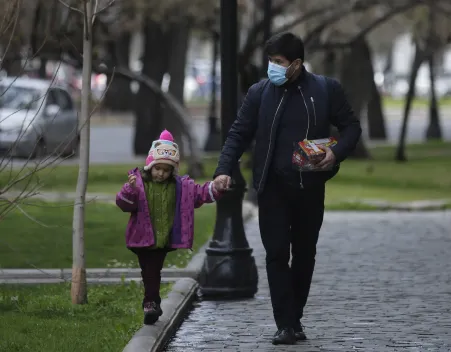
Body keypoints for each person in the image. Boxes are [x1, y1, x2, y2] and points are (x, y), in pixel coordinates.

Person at [213, 32, 362, 345]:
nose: (272, 67)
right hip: (272, 188)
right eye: (270, 61)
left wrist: (336, 153)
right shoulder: (259, 93)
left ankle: (295, 316)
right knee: (277, 253)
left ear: (296, 63)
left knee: (305, 253)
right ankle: (286, 323)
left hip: (310, 187)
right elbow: (237, 134)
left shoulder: (325, 89)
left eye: (278, 62)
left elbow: (351, 127)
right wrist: (223, 170)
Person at [116, 130, 224, 325]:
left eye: (166, 170)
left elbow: (198, 194)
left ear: (173, 170)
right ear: (150, 165)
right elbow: (124, 204)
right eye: (158, 168)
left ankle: (150, 304)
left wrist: (214, 188)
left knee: (152, 271)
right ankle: (153, 302)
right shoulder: (139, 184)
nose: (161, 173)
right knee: (148, 270)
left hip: (161, 239)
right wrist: (129, 190)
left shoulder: (180, 187)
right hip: (141, 236)